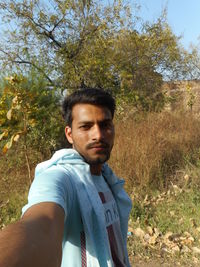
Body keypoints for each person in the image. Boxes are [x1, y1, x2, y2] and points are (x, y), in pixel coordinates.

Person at [0, 88, 132, 267]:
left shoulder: (108, 179)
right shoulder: (60, 177)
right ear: (69, 134)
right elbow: (41, 226)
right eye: (86, 127)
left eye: (105, 125)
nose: (98, 135)